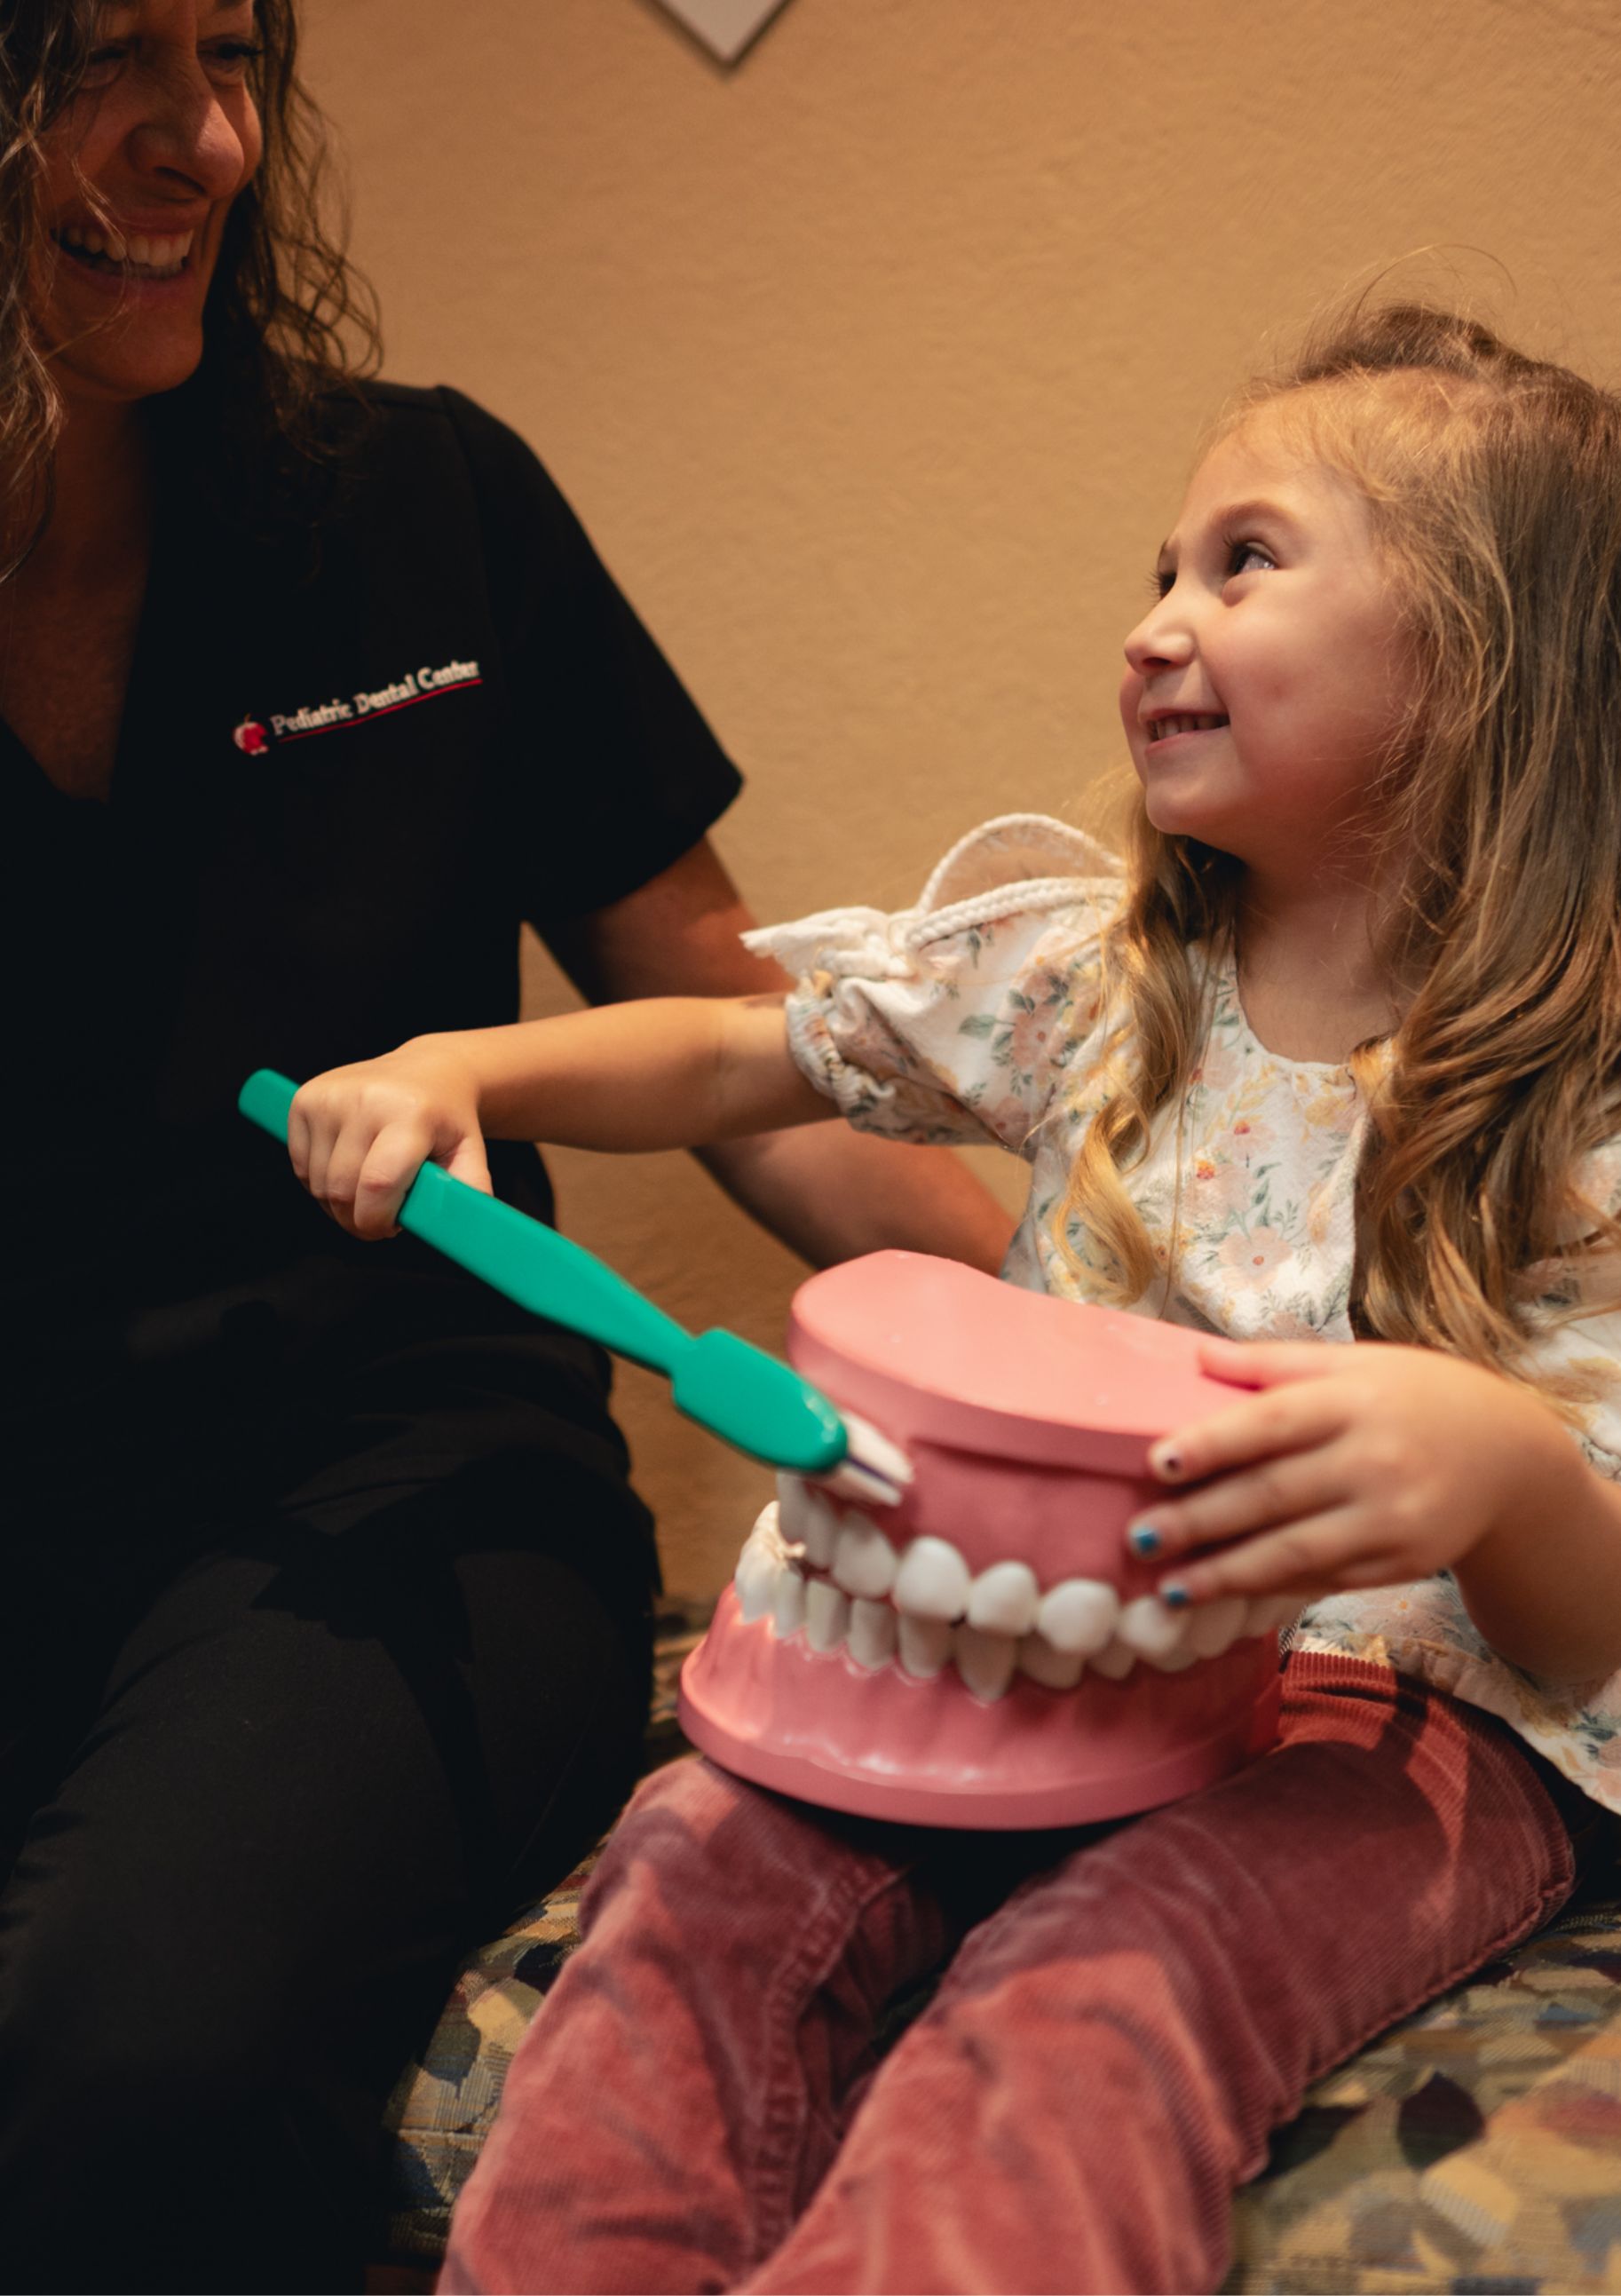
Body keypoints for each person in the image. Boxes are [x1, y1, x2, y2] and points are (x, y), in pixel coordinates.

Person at [284, 299, 1621, 2295]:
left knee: (1098, 1989)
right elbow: (724, 1058)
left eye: (1248, 563)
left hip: (1405, 1714)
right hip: (1033, 1654)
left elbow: (1619, 1627)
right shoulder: (1094, 981)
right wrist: (468, 1070)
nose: (1155, 621)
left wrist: (1501, 1471)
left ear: (1490, 670)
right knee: (692, 1876)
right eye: (1160, 567)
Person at [0, 5, 1011, 2292]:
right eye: (92, 56)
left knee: (120, 2061)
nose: (206, 140)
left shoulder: (418, 503)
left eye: (231, 48)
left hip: (396, 1481)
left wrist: (1050, 1372)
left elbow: (763, 1048)